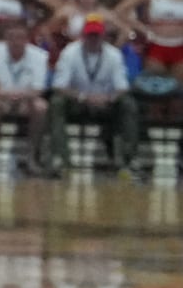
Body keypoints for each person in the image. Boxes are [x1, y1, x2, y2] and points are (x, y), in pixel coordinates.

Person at [47, 15, 141, 178]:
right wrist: (84, 97)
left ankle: (129, 159)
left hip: (106, 102)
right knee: (56, 103)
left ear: (103, 36)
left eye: (96, 35)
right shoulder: (70, 52)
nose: (93, 39)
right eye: (90, 35)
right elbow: (59, 85)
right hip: (77, 102)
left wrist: (108, 98)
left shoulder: (114, 55)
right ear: (83, 35)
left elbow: (122, 88)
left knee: (128, 104)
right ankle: (62, 159)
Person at [0, 20, 49, 176]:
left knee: (40, 107)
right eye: (12, 37)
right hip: (0, 98)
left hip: (26, 100)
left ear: (27, 39)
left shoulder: (40, 56)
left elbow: (38, 89)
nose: (16, 42)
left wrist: (21, 96)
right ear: (6, 39)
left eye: (20, 37)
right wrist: (9, 95)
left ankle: (32, 157)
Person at [116, 0, 183, 82]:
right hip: (156, 46)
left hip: (180, 46)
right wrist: (141, 28)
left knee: (179, 95)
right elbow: (120, 10)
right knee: (156, 92)